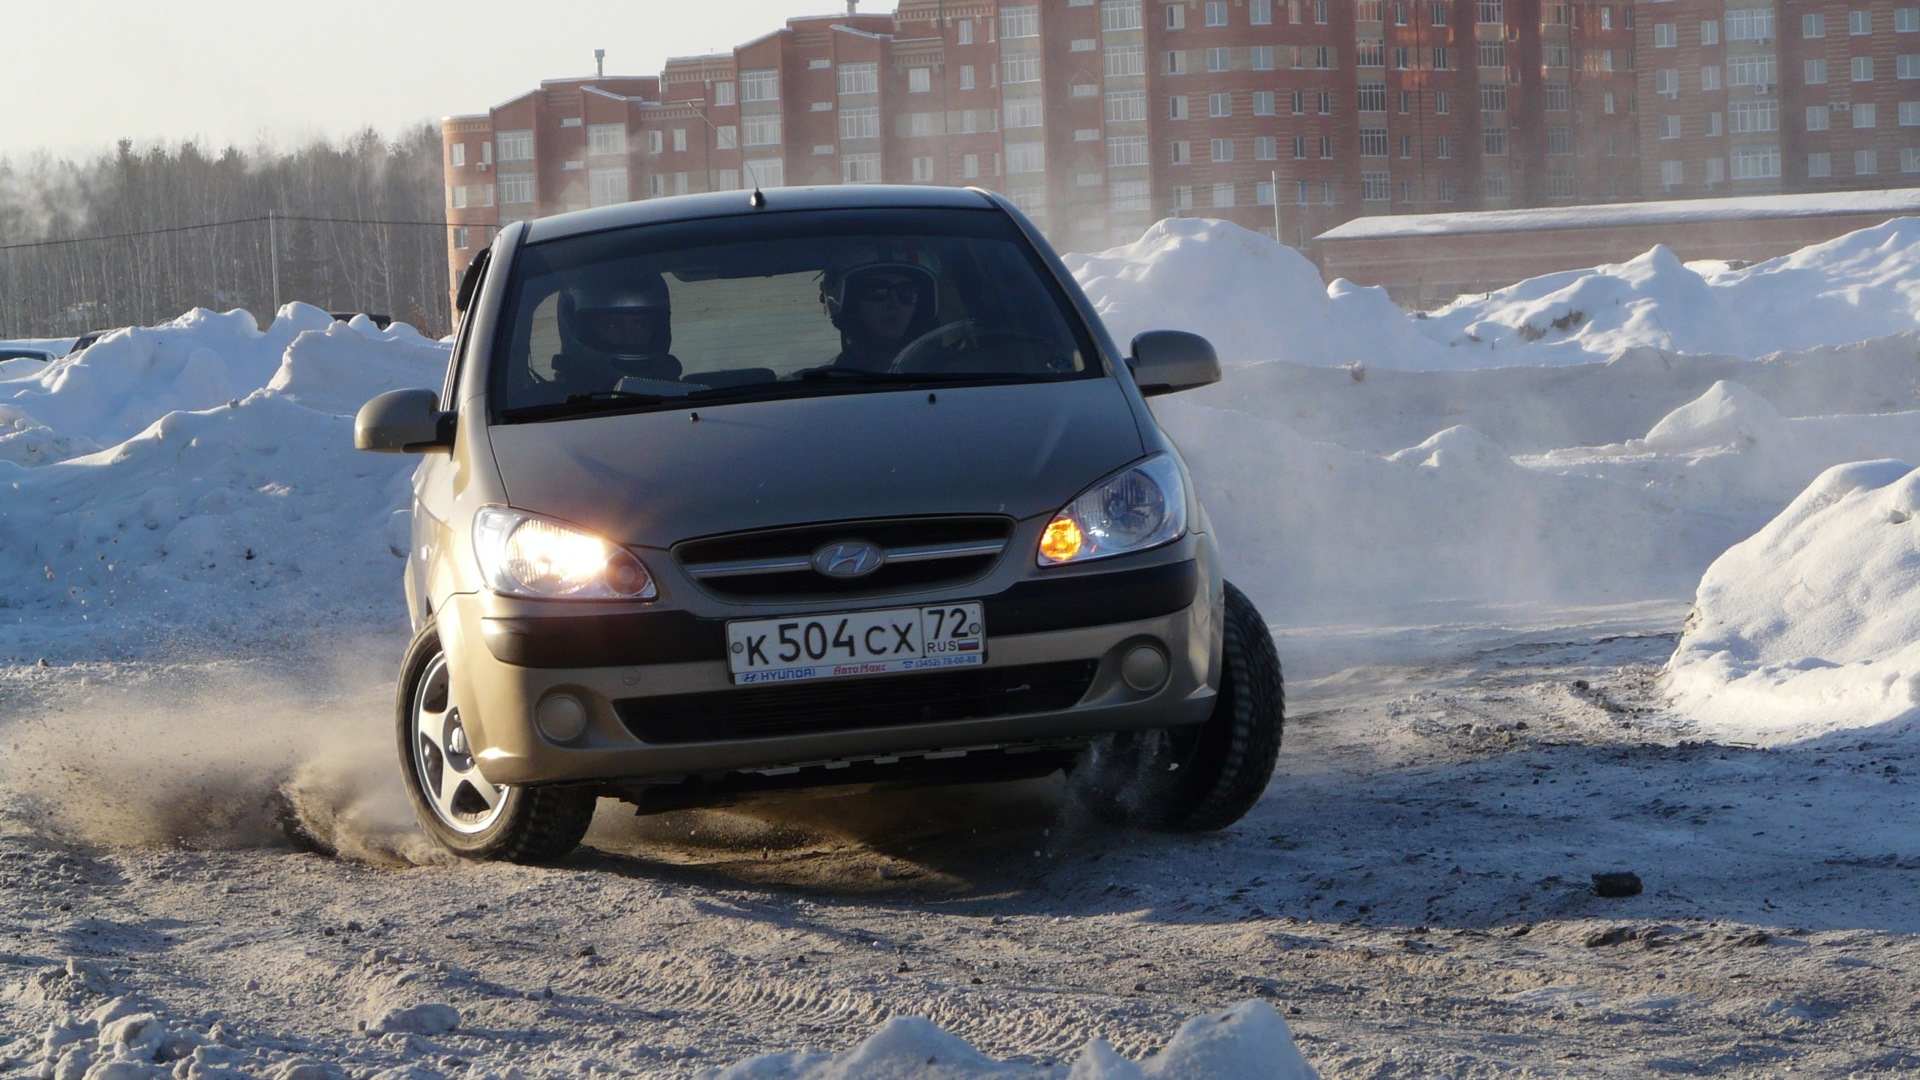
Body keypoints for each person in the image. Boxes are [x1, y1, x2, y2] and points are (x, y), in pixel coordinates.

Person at [552, 272, 681, 391]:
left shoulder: (687, 396)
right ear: (584, 332)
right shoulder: (548, 407)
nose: (630, 338)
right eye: (613, 325)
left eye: (640, 324)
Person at [822, 260, 940, 372]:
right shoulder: (821, 386)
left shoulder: (949, 371)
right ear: (850, 303)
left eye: (906, 293)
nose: (894, 304)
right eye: (878, 291)